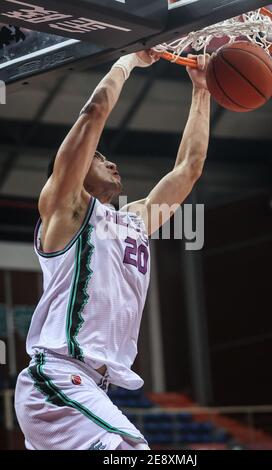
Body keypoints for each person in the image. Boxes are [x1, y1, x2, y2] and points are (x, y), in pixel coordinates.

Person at [14, 50, 211, 450]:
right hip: (57, 377)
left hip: (92, 387)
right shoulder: (64, 210)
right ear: (73, 168)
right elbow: (94, 112)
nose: (111, 162)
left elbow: (188, 168)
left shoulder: (134, 220)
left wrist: (203, 91)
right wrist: (129, 61)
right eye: (99, 158)